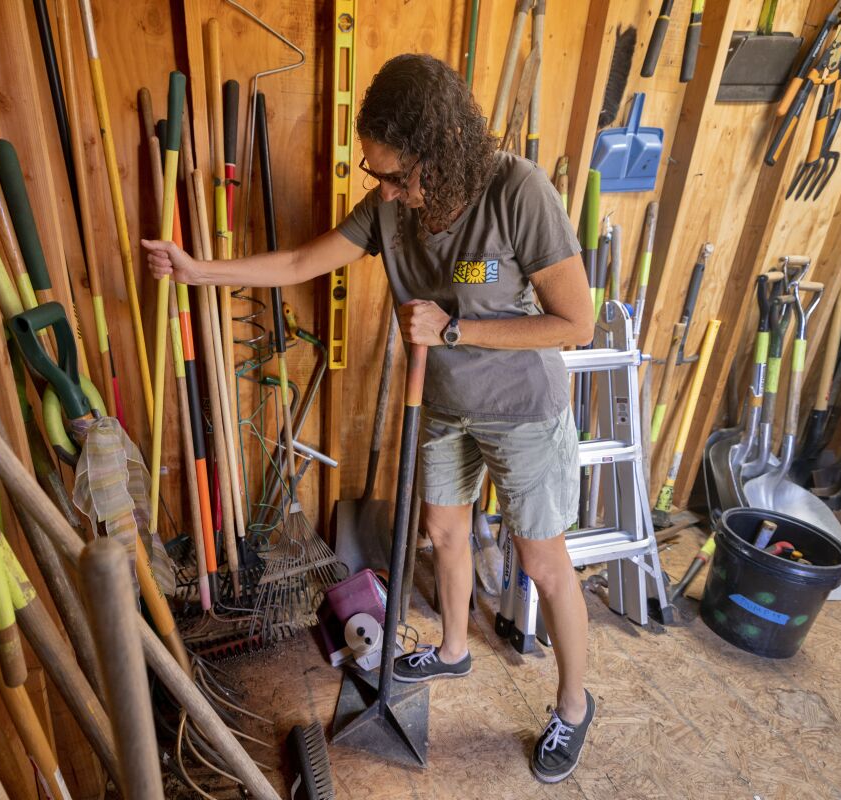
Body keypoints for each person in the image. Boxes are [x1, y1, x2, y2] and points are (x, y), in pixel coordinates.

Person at [143, 53, 596, 783]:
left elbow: (575, 322)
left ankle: (574, 706)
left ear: (440, 152)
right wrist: (199, 270)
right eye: (376, 173)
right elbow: (299, 262)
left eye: (395, 174)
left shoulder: (518, 192)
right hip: (445, 404)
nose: (383, 189)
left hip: (520, 408)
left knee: (543, 562)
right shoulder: (390, 211)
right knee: (443, 533)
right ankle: (451, 650)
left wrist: (454, 330)